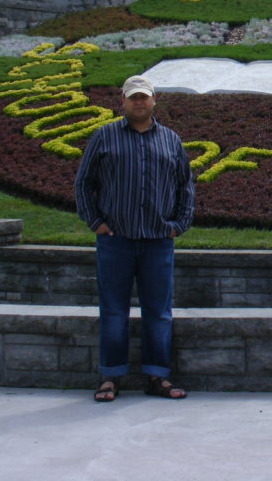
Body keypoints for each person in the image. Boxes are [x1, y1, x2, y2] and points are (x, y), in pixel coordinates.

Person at [74, 74, 195, 402]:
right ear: (123, 102)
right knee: (113, 311)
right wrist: (95, 222)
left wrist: (178, 224)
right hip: (116, 240)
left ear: (154, 100)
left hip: (158, 241)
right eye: (133, 97)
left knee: (158, 311)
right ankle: (110, 377)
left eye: (144, 97)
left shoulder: (170, 139)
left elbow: (186, 185)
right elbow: (84, 183)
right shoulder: (104, 136)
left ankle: (158, 377)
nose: (139, 102)